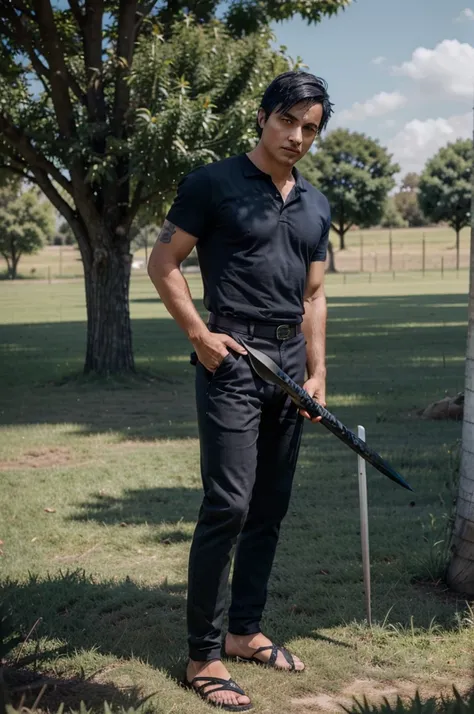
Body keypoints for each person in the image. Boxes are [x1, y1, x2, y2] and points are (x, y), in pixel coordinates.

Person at [147, 70, 333, 712]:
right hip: (232, 357)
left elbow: (313, 295)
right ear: (263, 116)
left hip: (289, 362)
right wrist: (200, 334)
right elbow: (162, 262)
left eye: (310, 127)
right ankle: (203, 656)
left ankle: (245, 630)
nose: (297, 136)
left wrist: (317, 374)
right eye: (288, 121)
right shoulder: (212, 183)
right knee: (228, 504)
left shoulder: (314, 203)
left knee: (270, 508)